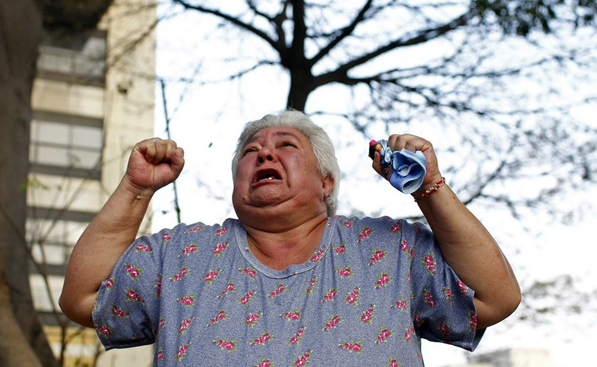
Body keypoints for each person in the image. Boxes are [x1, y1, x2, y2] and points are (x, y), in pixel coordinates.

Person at [59, 110, 520, 366]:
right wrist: (136, 189)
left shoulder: (391, 250)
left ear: (326, 182)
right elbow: (82, 298)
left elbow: (495, 297)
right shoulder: (179, 255)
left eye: (285, 145)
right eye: (251, 151)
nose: (264, 154)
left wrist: (428, 186)